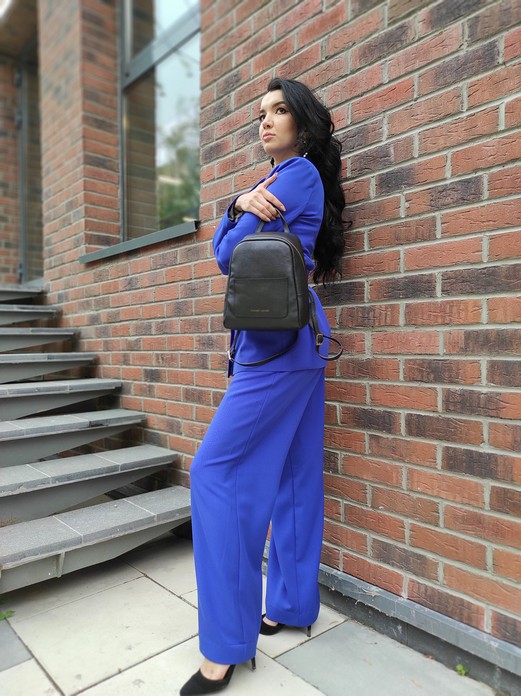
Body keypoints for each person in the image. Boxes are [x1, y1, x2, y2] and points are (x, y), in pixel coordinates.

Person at [180, 76, 345, 695]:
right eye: (260, 113)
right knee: (296, 476)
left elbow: (226, 257)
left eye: (279, 111)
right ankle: (293, 605)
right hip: (300, 343)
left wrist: (237, 208)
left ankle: (225, 644)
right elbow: (230, 241)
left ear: (302, 123)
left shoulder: (294, 175)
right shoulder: (284, 181)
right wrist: (237, 204)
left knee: (215, 474)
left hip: (275, 347)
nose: (266, 122)